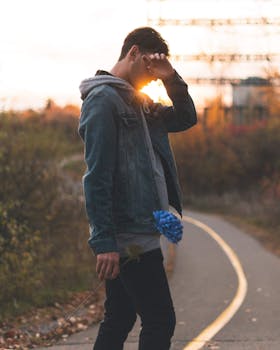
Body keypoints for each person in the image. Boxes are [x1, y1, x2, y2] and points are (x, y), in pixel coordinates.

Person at [78, 27, 197, 350]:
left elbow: (187, 117)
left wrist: (170, 77)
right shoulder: (103, 101)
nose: (151, 78)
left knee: (120, 317)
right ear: (133, 53)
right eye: (149, 69)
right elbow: (97, 176)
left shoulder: (142, 103)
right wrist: (104, 242)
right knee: (160, 320)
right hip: (130, 236)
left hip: (142, 228)